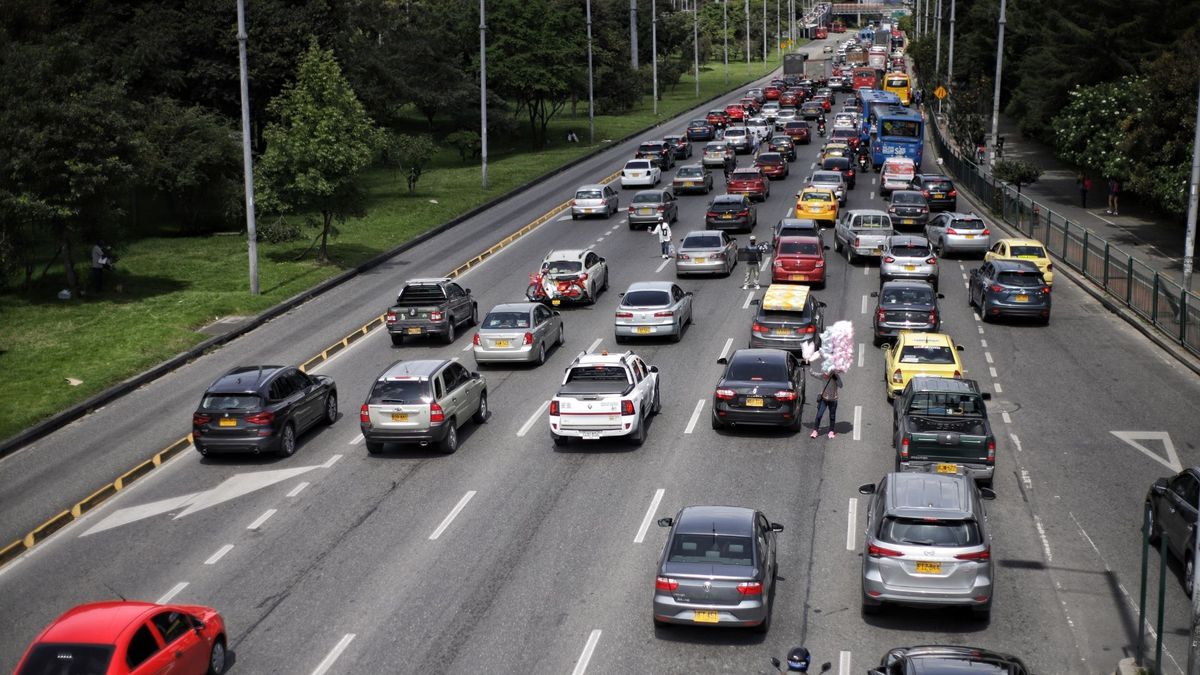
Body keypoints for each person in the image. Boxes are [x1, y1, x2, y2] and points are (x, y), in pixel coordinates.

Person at [809, 370, 841, 439]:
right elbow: (813, 374)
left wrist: (836, 378)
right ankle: (815, 430)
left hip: (833, 400)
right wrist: (809, 367)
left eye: (827, 372)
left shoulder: (835, 376)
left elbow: (841, 385)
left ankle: (831, 431)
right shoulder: (822, 376)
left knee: (832, 416)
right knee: (819, 415)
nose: (825, 374)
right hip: (824, 399)